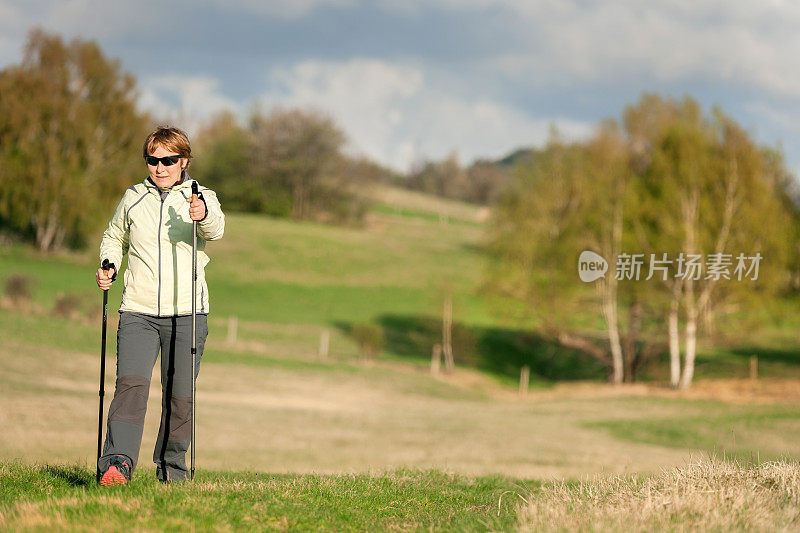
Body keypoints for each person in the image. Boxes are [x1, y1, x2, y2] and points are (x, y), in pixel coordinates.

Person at [95, 126, 224, 485]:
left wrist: (202, 214)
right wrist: (109, 264)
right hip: (138, 311)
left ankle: (173, 472)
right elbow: (114, 236)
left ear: (184, 161)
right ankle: (117, 463)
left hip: (188, 313)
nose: (160, 167)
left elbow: (216, 229)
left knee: (180, 395)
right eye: (153, 160)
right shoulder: (133, 197)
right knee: (130, 387)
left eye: (169, 160)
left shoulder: (200, 196)